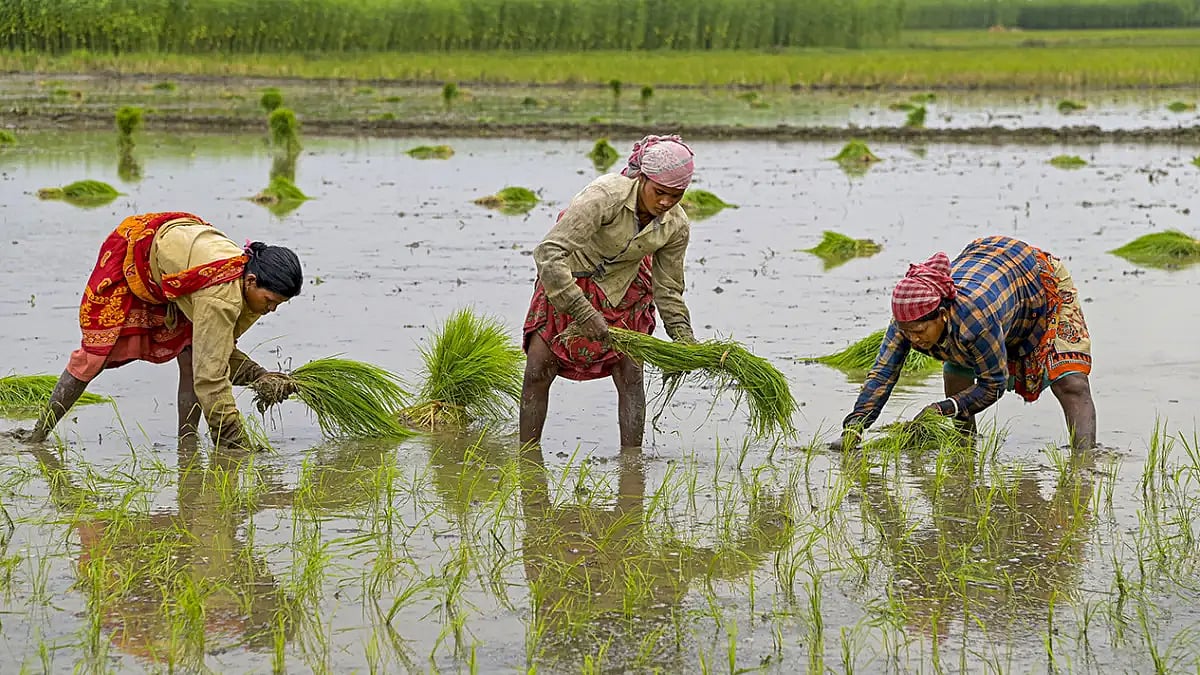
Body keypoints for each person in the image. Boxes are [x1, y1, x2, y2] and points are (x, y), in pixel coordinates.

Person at [25, 211, 303, 451]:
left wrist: (260, 376)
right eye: (270, 301)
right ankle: (37, 435)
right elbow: (211, 376)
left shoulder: (249, 291)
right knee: (96, 355)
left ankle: (187, 445)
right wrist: (234, 444)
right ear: (251, 280)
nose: (271, 310)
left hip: (182, 270)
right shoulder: (222, 299)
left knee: (191, 352)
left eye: (278, 305)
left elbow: (216, 350)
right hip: (137, 258)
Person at [837, 235, 1096, 451]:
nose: (913, 339)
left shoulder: (975, 320)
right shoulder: (906, 321)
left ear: (942, 314)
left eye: (919, 331)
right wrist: (854, 428)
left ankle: (1085, 460)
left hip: (1034, 278)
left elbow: (993, 384)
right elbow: (883, 373)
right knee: (957, 374)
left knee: (1070, 381)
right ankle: (964, 449)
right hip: (991, 277)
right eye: (907, 332)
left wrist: (941, 409)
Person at [521, 135, 698, 448]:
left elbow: (668, 289)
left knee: (631, 374)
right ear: (642, 179)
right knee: (538, 368)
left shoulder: (676, 225)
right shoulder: (605, 196)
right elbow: (549, 253)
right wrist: (583, 311)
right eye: (659, 192)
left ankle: (632, 462)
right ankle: (527, 457)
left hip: (624, 288)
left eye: (676, 195)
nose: (665, 203)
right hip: (570, 279)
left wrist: (685, 340)